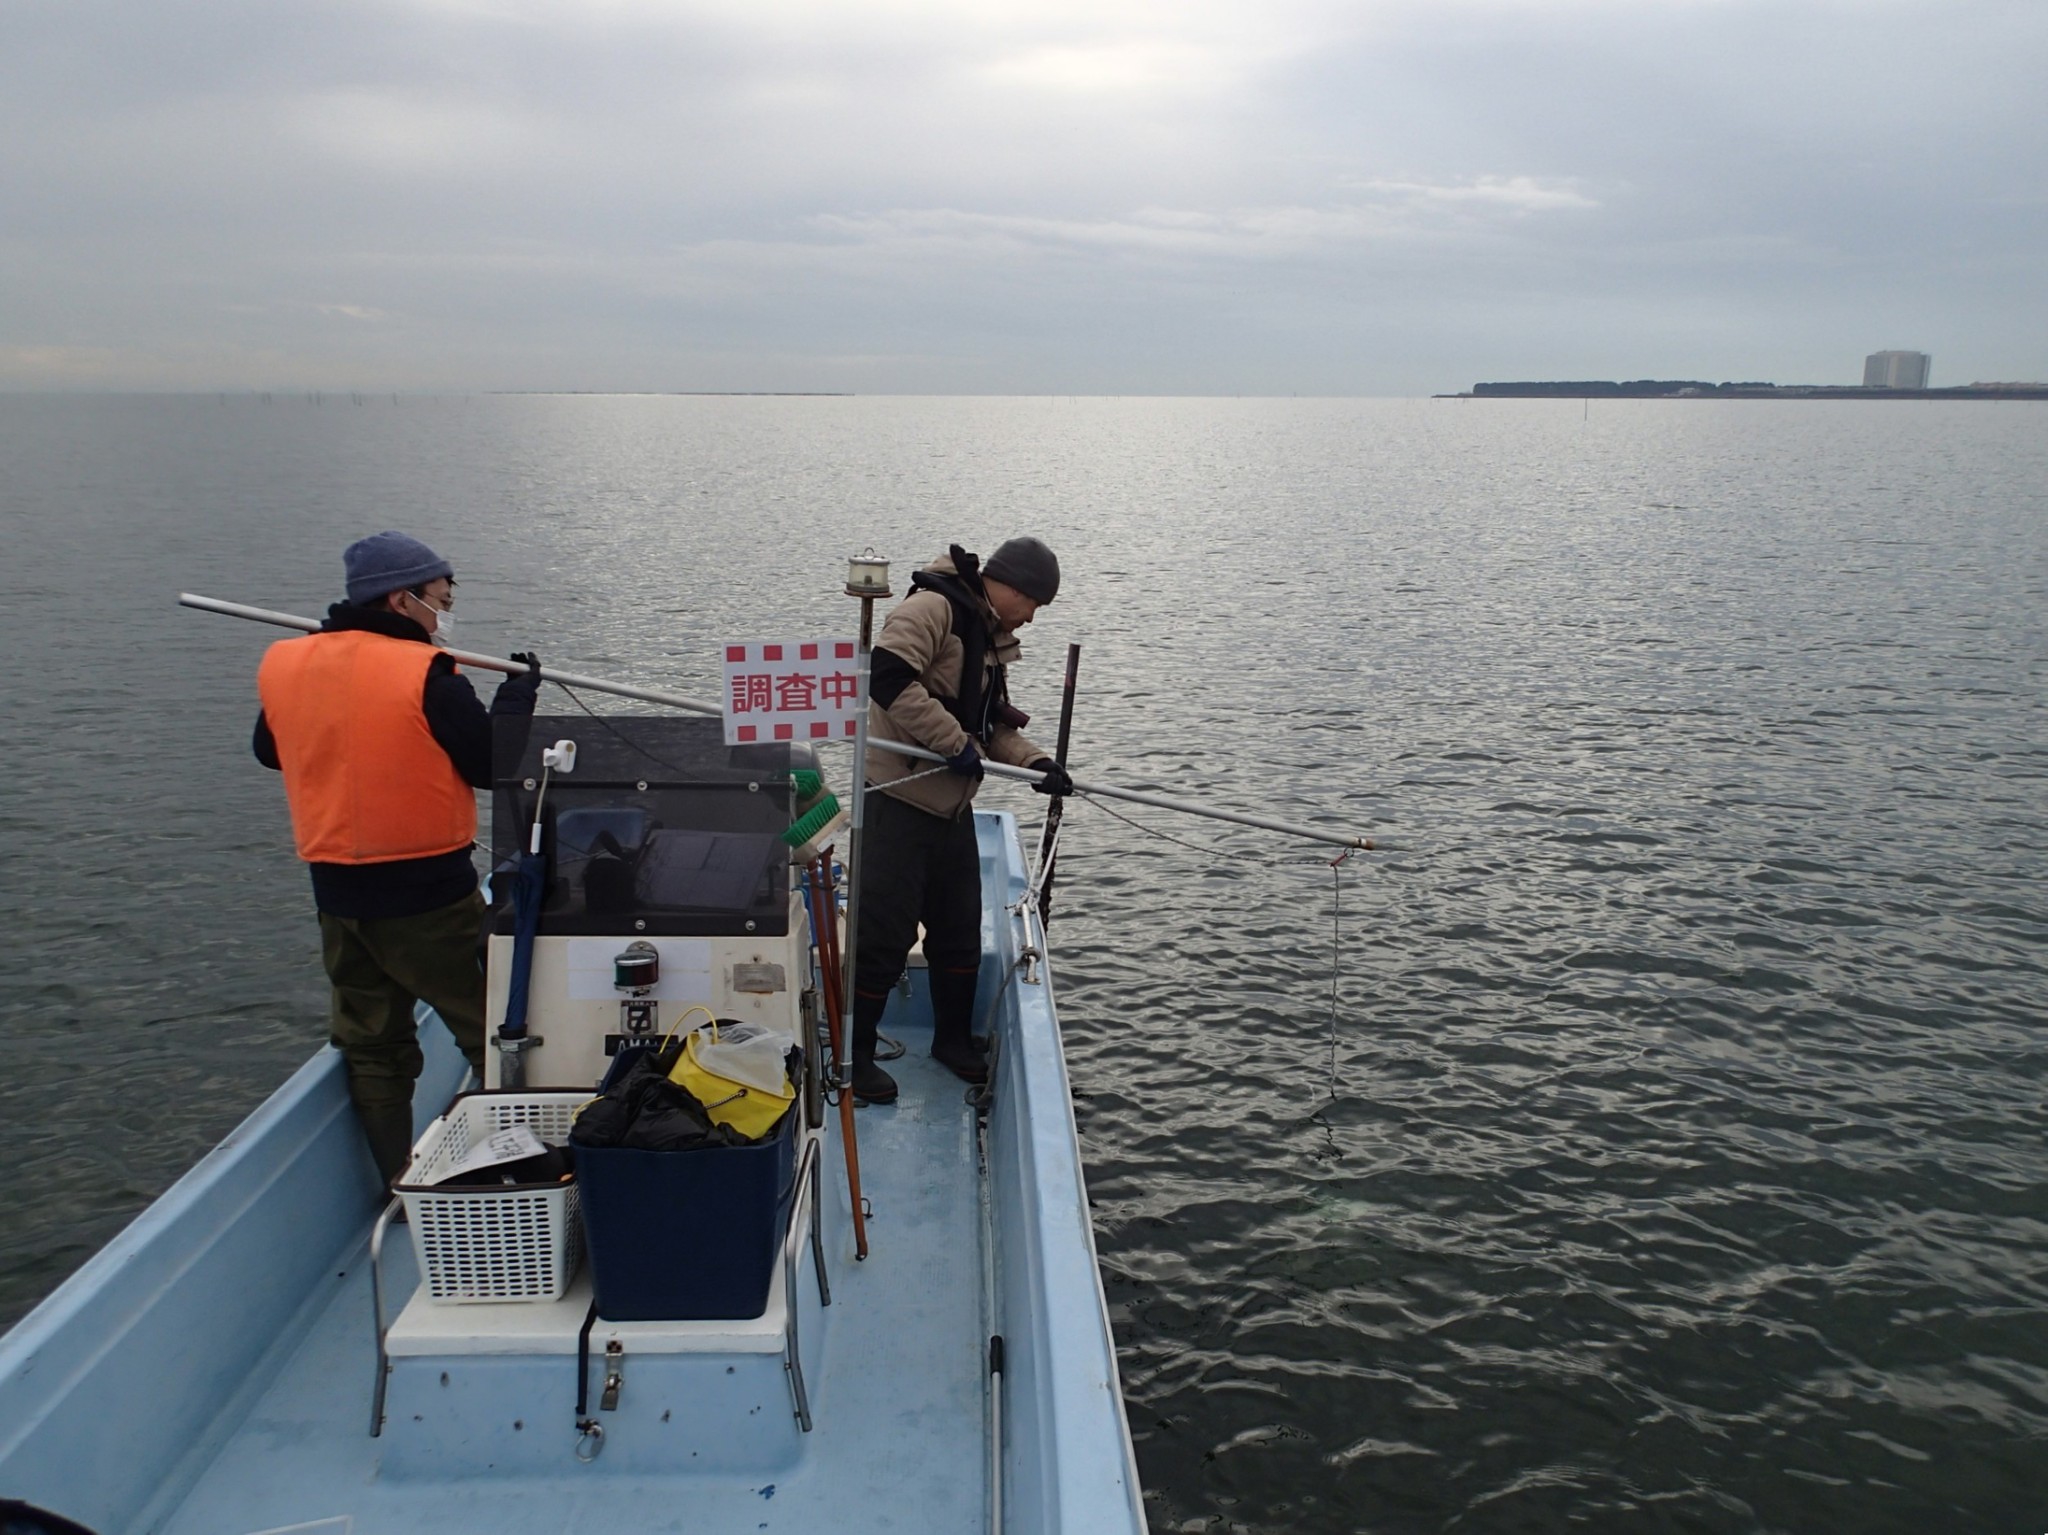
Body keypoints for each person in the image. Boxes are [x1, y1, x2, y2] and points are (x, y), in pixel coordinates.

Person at [252, 531, 540, 1184]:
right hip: (428, 898)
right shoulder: (425, 674)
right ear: (400, 599)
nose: (443, 614)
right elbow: (495, 765)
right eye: (438, 599)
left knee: (373, 1043)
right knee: (491, 1027)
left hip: (337, 898)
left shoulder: (286, 663)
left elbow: (271, 750)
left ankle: (395, 1182)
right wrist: (519, 695)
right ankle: (517, 1175)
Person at [851, 536, 1073, 1104]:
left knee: (957, 934)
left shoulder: (985, 632)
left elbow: (986, 724)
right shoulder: (934, 609)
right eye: (1034, 606)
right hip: (897, 802)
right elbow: (888, 678)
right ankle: (857, 1055)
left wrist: (1037, 763)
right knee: (883, 936)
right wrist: (952, 743)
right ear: (1014, 588)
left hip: (951, 811)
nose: (1031, 618)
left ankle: (952, 1041)